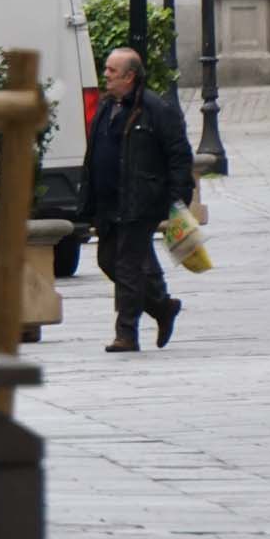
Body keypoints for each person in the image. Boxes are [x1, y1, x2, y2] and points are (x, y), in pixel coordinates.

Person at [79, 47, 194, 353]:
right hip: (108, 202)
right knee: (107, 260)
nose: (106, 75)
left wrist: (176, 201)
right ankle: (161, 306)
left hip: (139, 200)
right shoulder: (106, 107)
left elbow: (180, 156)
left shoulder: (156, 109)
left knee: (128, 267)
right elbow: (95, 153)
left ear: (130, 76)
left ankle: (126, 334)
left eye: (111, 71)